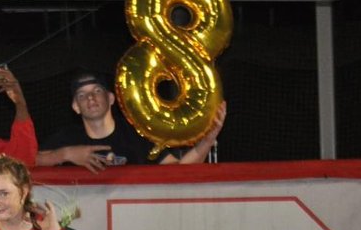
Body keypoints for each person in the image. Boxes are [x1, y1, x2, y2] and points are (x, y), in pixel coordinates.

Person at [36, 71, 226, 171]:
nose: (91, 99)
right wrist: (65, 154)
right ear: (75, 107)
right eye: (82, 95)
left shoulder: (137, 135)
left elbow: (179, 171)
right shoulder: (67, 137)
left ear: (111, 99)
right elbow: (27, 162)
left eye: (97, 91)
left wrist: (208, 139)